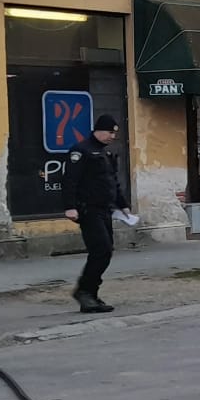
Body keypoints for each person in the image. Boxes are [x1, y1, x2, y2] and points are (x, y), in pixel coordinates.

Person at [64, 113, 128, 313]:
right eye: (110, 132)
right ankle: (84, 292)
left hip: (105, 210)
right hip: (88, 209)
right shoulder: (81, 151)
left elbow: (112, 182)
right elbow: (70, 181)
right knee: (101, 249)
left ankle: (90, 292)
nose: (112, 137)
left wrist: (123, 205)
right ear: (98, 130)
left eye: (114, 133)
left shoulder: (105, 154)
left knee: (106, 251)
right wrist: (70, 206)